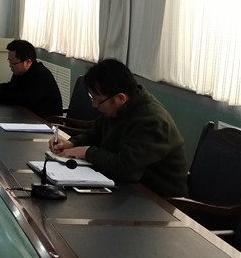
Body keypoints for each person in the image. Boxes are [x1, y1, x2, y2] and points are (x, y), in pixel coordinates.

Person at [50, 59, 188, 197]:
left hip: (158, 200)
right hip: (125, 188)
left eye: (97, 100)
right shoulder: (118, 108)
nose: (94, 105)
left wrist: (86, 152)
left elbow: (126, 169)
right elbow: (96, 133)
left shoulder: (151, 121)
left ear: (120, 98)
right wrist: (72, 143)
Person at [0, 39, 63, 117]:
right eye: (9, 62)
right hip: (27, 115)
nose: (10, 66)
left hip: (45, 120)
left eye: (13, 63)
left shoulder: (41, 75)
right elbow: (11, 87)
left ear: (28, 62)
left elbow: (24, 100)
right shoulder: (20, 71)